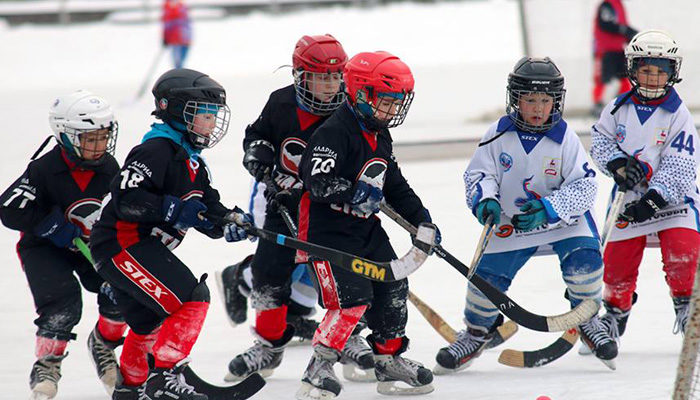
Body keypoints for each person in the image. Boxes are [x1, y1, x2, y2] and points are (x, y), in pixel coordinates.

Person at [441, 56, 618, 373]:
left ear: (556, 101)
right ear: (516, 99)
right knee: (484, 280)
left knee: (585, 265)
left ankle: (589, 319)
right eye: (530, 99)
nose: (538, 108)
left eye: (545, 100)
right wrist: (486, 201)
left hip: (563, 221)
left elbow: (585, 187)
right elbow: (479, 175)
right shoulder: (497, 134)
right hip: (512, 222)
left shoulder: (566, 138)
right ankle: (478, 332)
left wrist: (550, 209)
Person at [222, 34, 376, 384]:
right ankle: (268, 346)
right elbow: (257, 136)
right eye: (322, 77)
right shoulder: (280, 103)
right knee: (268, 272)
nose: (330, 84)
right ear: (300, 75)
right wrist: (259, 153)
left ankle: (348, 338)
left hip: (331, 209)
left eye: (337, 76)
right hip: (284, 201)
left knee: (343, 277)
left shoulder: (350, 110)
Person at [89, 68, 252, 400]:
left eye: (213, 115)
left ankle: (131, 388)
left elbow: (207, 209)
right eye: (203, 114)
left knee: (148, 322)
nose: (210, 122)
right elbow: (127, 198)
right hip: (120, 245)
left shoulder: (191, 162)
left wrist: (229, 222)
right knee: (192, 297)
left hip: (133, 248)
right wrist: (172, 209)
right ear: (175, 110)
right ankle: (166, 378)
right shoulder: (156, 150)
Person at [295, 51, 438, 399]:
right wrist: (352, 191)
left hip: (365, 230)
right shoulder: (334, 132)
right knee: (351, 300)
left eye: (398, 102)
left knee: (393, 289)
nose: (393, 110)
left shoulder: (379, 133)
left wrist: (422, 221)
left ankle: (387, 360)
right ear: (360, 93)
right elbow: (315, 181)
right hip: (327, 234)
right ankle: (320, 366)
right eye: (387, 101)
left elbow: (395, 185)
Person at [0, 90, 125, 399]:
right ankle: (47, 365)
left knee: (120, 290)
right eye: (89, 139)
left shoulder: (110, 168)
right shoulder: (43, 169)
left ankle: (103, 346)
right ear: (66, 136)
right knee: (63, 303)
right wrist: (50, 225)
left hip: (89, 246)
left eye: (102, 138)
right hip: (44, 249)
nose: (98, 147)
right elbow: (9, 208)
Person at [590, 30, 699, 352]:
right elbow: (600, 141)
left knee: (684, 252)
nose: (652, 78)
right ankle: (614, 314)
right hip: (629, 198)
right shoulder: (616, 108)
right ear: (632, 69)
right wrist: (618, 165)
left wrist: (654, 199)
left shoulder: (678, 114)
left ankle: (688, 309)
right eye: (645, 70)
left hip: (671, 200)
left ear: (672, 73)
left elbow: (681, 164)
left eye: (660, 71)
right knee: (615, 264)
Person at [592, 0, 638, 115]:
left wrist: (630, 35)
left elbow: (620, 24)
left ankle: (623, 101)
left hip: (618, 48)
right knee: (602, 79)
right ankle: (597, 104)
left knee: (624, 76)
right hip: (605, 49)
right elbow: (606, 23)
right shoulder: (606, 5)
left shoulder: (618, 4)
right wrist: (624, 30)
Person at [162, 0, 191, 69]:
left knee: (180, 61)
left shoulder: (181, 6)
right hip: (176, 39)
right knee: (178, 62)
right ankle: (179, 74)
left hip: (183, 38)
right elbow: (167, 24)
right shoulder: (169, 8)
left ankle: (180, 73)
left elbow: (186, 23)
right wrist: (165, 37)